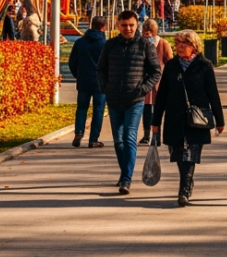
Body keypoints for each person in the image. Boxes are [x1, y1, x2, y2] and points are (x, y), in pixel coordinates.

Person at [151, 29, 225, 207]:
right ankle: (187, 180)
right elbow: (162, 95)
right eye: (178, 44)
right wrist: (155, 121)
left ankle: (184, 188)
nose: (180, 47)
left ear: (194, 46)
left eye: (184, 44)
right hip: (174, 118)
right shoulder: (171, 65)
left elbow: (213, 94)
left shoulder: (204, 65)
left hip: (196, 119)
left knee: (190, 154)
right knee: (177, 154)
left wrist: (219, 120)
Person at [96, 10, 162, 195]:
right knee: (118, 140)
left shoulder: (144, 45)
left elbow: (156, 71)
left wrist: (143, 89)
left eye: (131, 25)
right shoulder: (110, 45)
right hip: (114, 99)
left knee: (129, 136)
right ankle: (125, 172)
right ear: (118, 25)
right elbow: (100, 69)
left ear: (137, 25)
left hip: (135, 100)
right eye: (124, 25)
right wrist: (105, 88)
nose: (128, 28)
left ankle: (126, 179)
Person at [68, 16, 109, 148]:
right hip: (100, 83)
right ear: (104, 27)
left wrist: (78, 75)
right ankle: (93, 139)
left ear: (91, 25)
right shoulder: (105, 44)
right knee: (98, 109)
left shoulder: (80, 42)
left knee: (81, 108)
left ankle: (79, 131)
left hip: (84, 80)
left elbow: (72, 62)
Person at [139, 18, 174, 145]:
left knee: (158, 109)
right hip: (145, 81)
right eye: (145, 32)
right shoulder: (140, 43)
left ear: (154, 32)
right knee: (147, 109)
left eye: (150, 32)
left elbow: (169, 61)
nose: (147, 34)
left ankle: (156, 135)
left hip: (159, 82)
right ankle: (147, 134)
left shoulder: (163, 43)